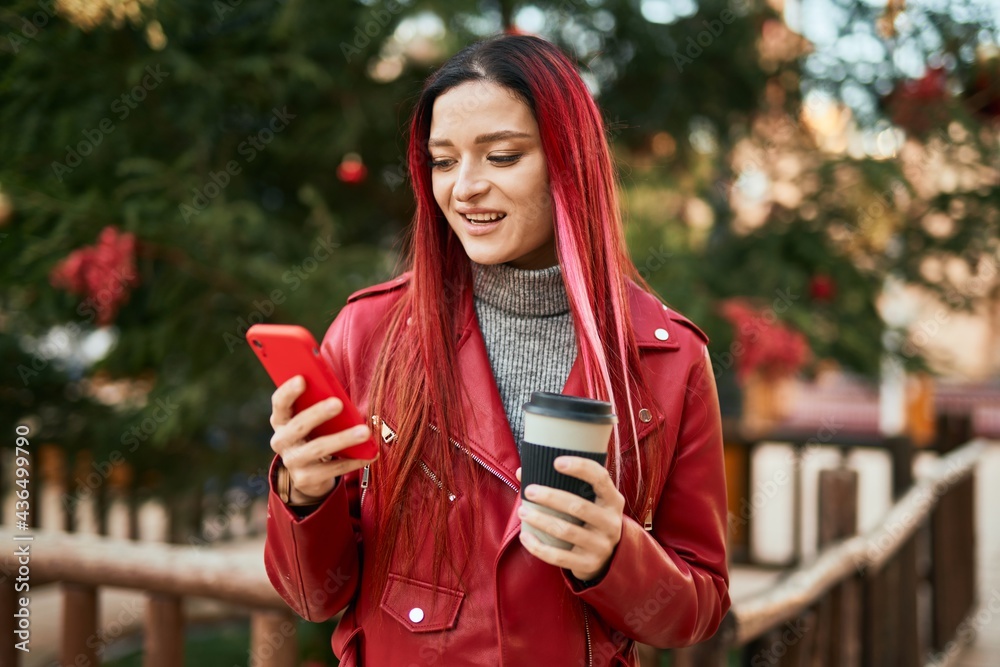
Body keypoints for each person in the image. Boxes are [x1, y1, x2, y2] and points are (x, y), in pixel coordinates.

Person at [264, 33, 730, 666]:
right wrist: (302, 497)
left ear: (570, 162)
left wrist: (616, 556)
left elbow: (696, 609)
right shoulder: (368, 332)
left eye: (502, 156)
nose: (465, 188)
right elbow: (314, 598)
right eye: (444, 161)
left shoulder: (669, 357)